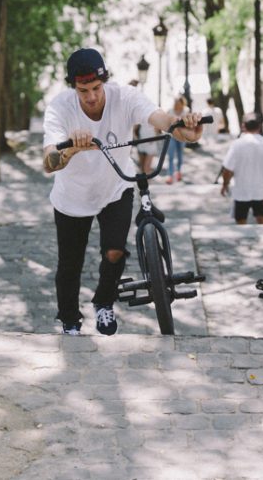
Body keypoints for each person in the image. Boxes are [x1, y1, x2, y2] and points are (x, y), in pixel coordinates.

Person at [42, 49, 204, 336]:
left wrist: (185, 130)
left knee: (115, 251)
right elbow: (48, 162)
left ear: (104, 81)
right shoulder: (59, 107)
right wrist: (73, 147)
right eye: (83, 91)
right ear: (73, 88)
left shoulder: (124, 97)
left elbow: (162, 120)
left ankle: (104, 302)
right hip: (72, 197)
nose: (91, 96)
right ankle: (69, 320)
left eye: (96, 88)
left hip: (116, 187)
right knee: (70, 264)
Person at [220, 113, 263, 224]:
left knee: (241, 224)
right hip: (261, 191)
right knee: (262, 221)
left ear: (243, 126)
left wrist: (225, 184)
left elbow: (227, 169)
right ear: (260, 126)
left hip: (241, 192)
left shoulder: (237, 144)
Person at [165, 96, 188, 184]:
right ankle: (170, 175)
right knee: (170, 156)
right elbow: (166, 122)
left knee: (180, 155)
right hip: (171, 136)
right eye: (175, 102)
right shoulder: (170, 111)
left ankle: (179, 172)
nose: (176, 104)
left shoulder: (186, 111)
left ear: (182, 103)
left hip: (182, 137)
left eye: (178, 102)